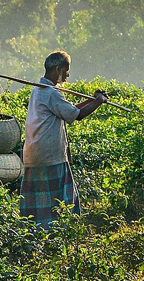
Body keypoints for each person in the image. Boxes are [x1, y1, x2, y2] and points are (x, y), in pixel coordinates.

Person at [19, 50, 107, 228]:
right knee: (61, 201)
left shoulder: (40, 90)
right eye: (66, 70)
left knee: (38, 204)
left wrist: (92, 99)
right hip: (49, 157)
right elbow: (77, 115)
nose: (67, 74)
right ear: (58, 69)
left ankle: (36, 233)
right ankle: (57, 234)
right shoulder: (50, 93)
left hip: (34, 154)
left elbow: (69, 109)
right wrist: (99, 101)